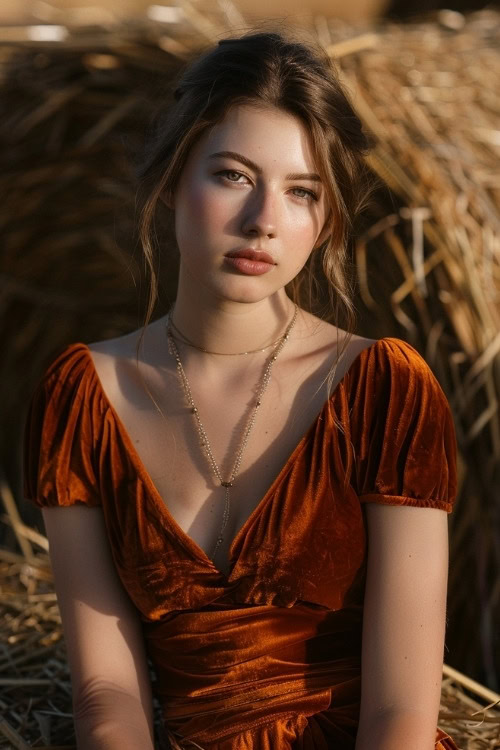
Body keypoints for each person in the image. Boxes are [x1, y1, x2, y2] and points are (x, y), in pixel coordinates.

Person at [23, 29, 459, 750]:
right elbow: (108, 697)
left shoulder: (384, 389)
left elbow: (402, 715)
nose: (264, 221)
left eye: (302, 193)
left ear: (324, 224)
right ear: (171, 180)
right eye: (232, 175)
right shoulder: (82, 397)